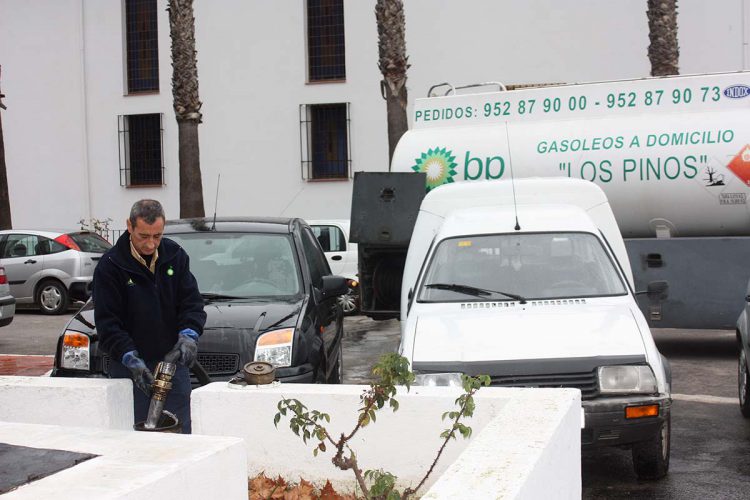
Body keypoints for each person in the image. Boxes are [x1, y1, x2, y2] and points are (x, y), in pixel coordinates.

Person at [93, 199, 206, 433]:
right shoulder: (111, 266)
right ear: (129, 226)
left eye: (157, 236)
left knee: (179, 429)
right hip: (130, 370)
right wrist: (131, 360)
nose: (151, 244)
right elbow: (108, 323)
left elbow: (192, 303)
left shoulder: (175, 255)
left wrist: (188, 335)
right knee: (136, 434)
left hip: (172, 365)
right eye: (144, 236)